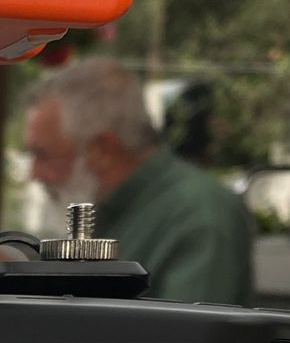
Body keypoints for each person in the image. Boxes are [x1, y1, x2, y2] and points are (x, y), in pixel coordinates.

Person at [23, 57, 254, 304]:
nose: (34, 174)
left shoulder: (199, 214)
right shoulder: (108, 204)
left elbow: (188, 327)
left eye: (42, 155)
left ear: (101, 150)